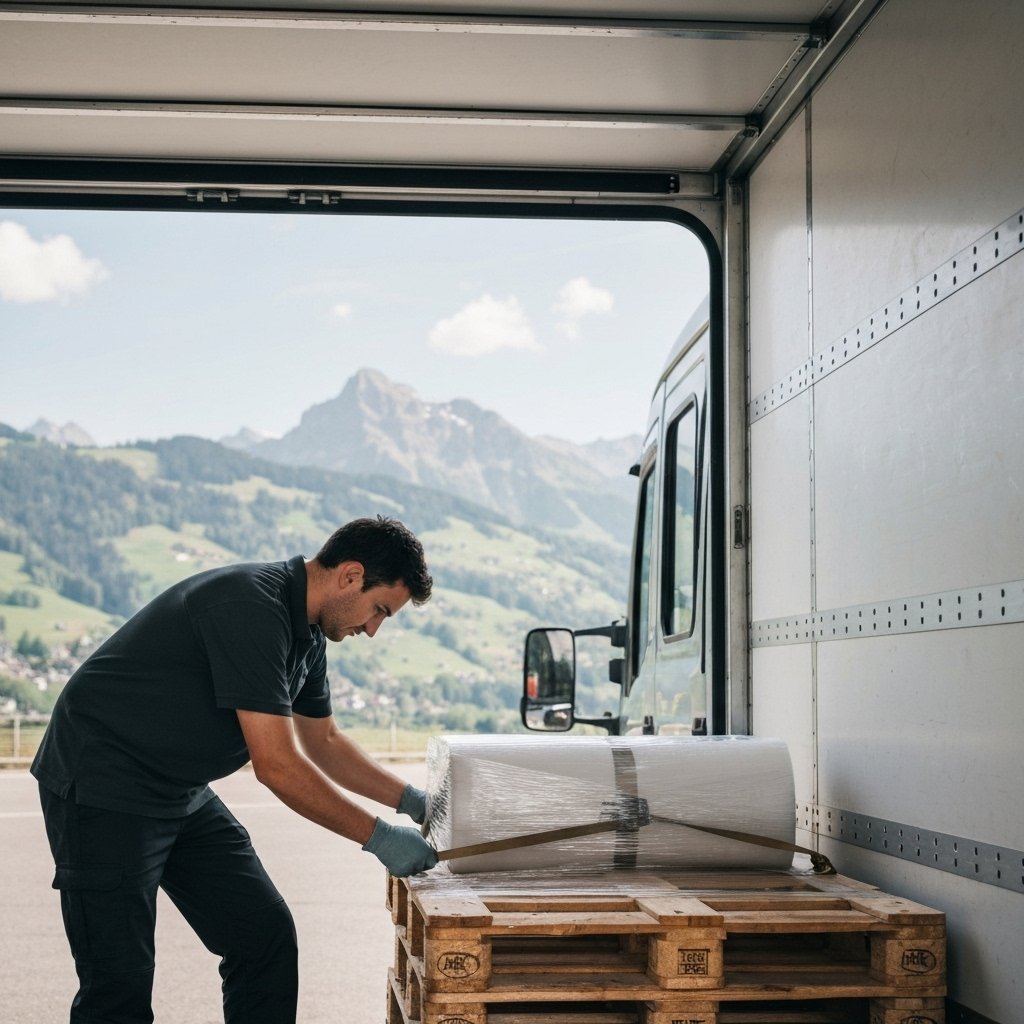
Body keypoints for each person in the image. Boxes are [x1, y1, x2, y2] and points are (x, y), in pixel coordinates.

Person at [31, 515, 439, 1024]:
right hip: (103, 785)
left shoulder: (309, 636)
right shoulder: (250, 606)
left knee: (263, 937)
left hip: (179, 791)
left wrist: (412, 800)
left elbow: (324, 741)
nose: (373, 629)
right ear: (350, 575)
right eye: (379, 610)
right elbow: (278, 765)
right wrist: (380, 837)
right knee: (118, 985)